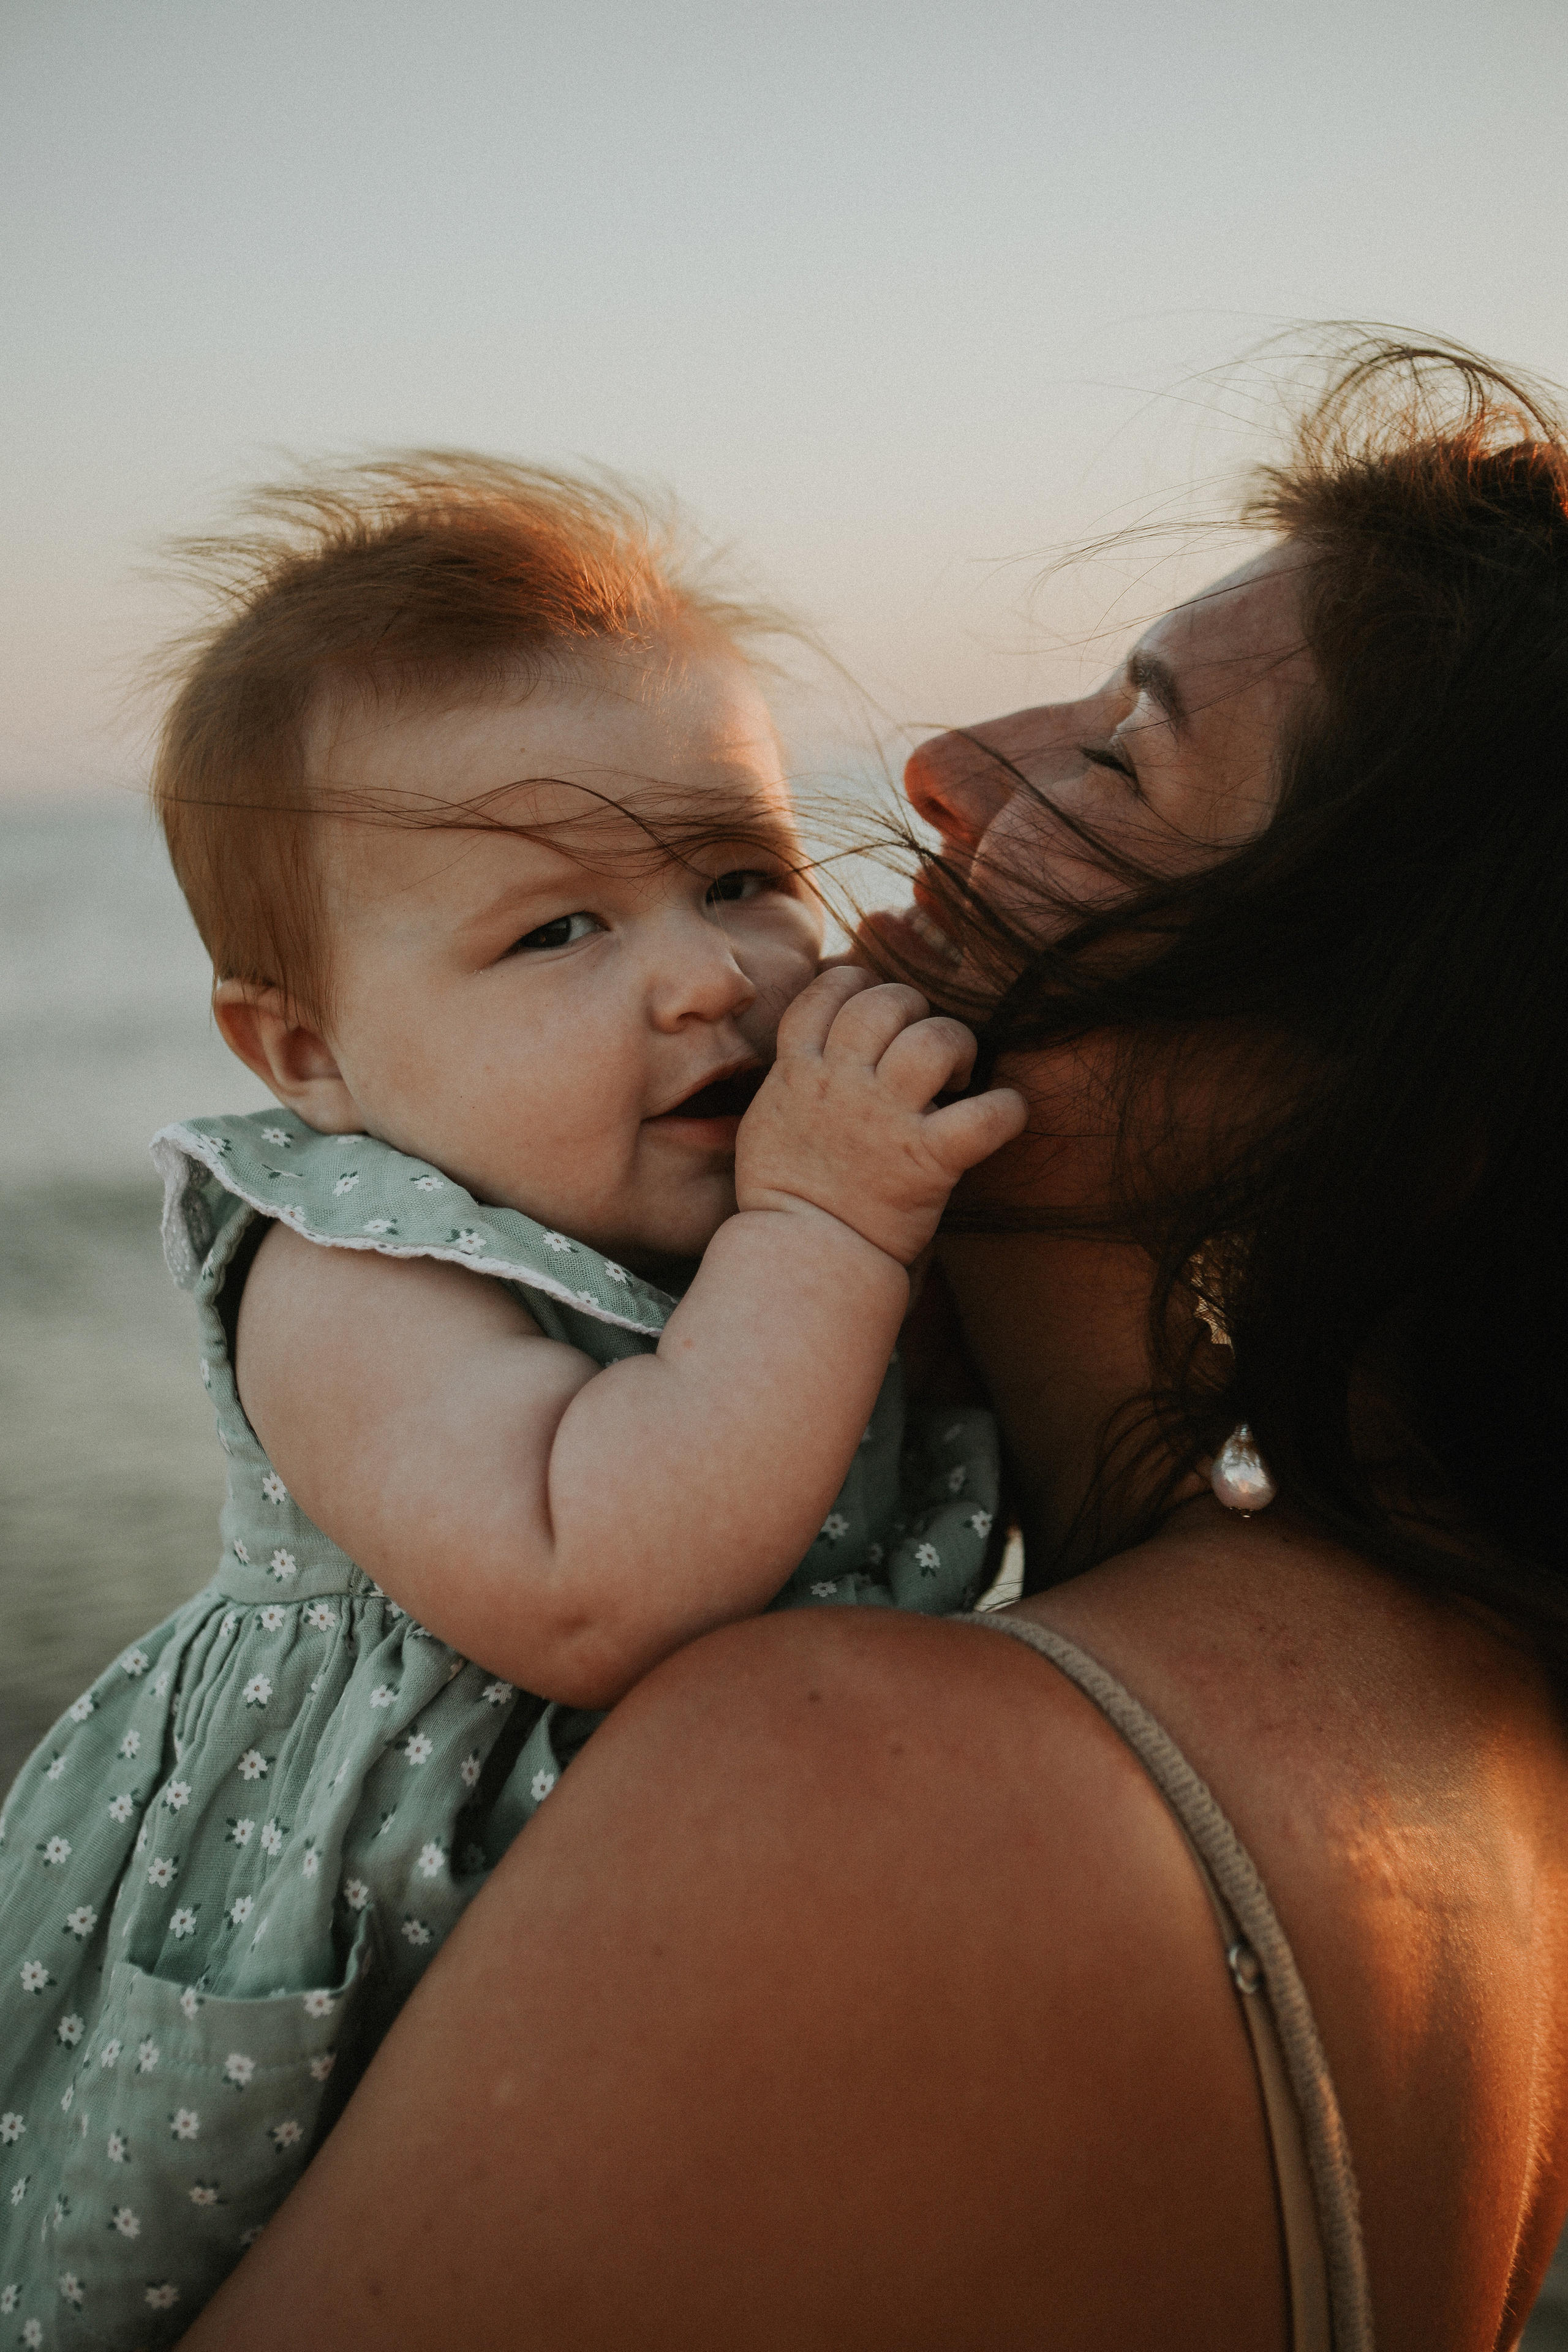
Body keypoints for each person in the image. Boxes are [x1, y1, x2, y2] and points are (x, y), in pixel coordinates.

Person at [168, 338, 1568, 2350]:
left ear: (1387, 1075)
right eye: (554, 929)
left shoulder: (856, 1790)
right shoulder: (1484, 1733)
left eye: (1122, 760)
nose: (945, 760)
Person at [0, 461, 1029, 2346]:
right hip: (366, 1975)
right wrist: (829, 1225)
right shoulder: (353, 1270)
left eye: (742, 878)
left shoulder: (770, 1229)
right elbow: (587, 1580)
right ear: (309, 1050)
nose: (703, 976)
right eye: (557, 933)